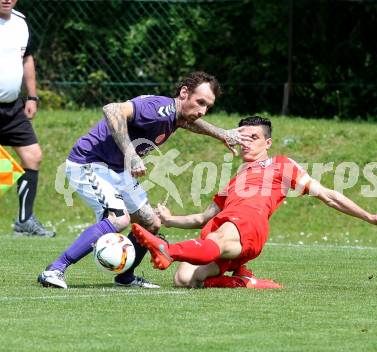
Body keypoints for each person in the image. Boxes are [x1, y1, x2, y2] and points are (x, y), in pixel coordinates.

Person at [132, 116, 377, 289]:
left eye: (253, 138)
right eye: (242, 138)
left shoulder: (282, 165)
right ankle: (242, 280)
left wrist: (369, 216)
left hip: (248, 225)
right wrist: (169, 219)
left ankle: (167, 250)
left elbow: (328, 194)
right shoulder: (235, 178)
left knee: (219, 236)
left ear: (268, 142)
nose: (246, 143)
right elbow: (203, 217)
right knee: (184, 280)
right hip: (220, 228)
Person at [38, 71, 252, 289]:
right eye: (200, 102)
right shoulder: (158, 109)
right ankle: (54, 269)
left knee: (151, 223)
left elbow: (189, 123)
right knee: (119, 219)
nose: (202, 111)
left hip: (117, 170)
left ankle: (125, 277)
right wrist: (130, 153)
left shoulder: (177, 115)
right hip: (90, 163)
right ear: (184, 92)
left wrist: (221, 133)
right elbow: (111, 109)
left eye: (208, 106)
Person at [0, 0, 55, 237]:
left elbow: (27, 59)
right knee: (3, 167)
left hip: (13, 107)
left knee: (33, 156)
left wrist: (32, 96)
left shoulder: (21, 23)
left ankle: (24, 221)